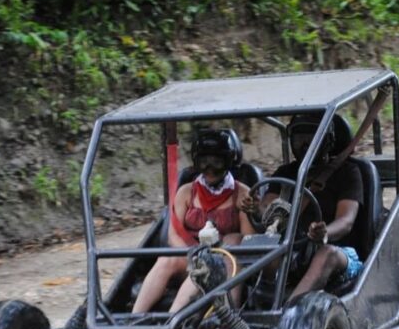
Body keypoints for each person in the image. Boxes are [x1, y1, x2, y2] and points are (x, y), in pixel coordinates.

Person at [241, 112, 364, 301]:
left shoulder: (348, 172)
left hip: (339, 252)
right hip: (292, 251)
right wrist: (256, 208)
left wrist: (324, 233)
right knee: (250, 242)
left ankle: (289, 313)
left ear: (328, 140)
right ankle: (237, 307)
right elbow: (268, 208)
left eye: (312, 138)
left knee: (326, 253)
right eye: (299, 138)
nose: (305, 144)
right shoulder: (285, 172)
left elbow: (346, 221)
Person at [132, 128, 255, 313]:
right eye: (203, 162)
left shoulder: (242, 193)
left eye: (216, 162)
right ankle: (134, 318)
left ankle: (173, 321)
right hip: (190, 256)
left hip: (226, 261)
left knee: (227, 246)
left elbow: (248, 240)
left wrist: (249, 211)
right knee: (166, 258)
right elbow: (173, 233)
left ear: (228, 162)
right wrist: (193, 255)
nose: (209, 169)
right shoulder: (186, 192)